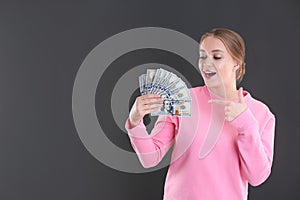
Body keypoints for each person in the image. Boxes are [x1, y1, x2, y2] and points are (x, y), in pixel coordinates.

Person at [125, 28, 276, 200]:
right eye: (203, 56)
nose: (206, 64)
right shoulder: (182, 100)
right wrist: (135, 120)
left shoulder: (260, 113)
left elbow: (257, 177)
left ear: (237, 63)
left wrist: (246, 125)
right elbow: (150, 158)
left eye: (217, 57)